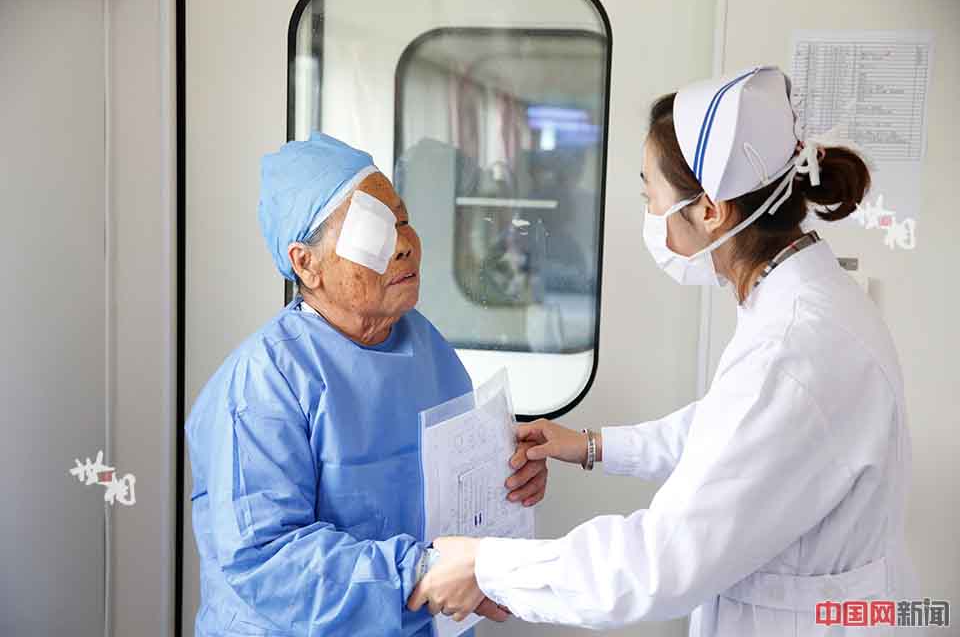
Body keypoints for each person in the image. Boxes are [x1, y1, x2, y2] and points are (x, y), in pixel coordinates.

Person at [408, 66, 916, 635]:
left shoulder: (794, 347)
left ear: (709, 210)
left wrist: (486, 565)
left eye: (652, 193)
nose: (650, 215)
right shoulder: (792, 299)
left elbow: (657, 566)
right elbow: (731, 431)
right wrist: (592, 446)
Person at [186, 132, 547, 636]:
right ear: (305, 263)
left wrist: (508, 483)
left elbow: (453, 485)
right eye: (372, 229)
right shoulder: (261, 386)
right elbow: (264, 560)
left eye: (401, 220)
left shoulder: (425, 347)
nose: (402, 244)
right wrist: (416, 572)